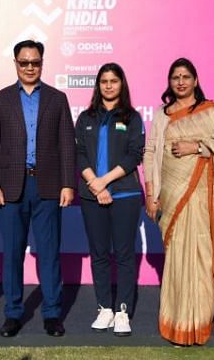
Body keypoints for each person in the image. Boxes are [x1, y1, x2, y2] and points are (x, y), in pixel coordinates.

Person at [142, 57, 214, 349]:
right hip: (171, 199)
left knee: (200, 259)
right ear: (169, 82)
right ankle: (176, 322)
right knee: (176, 262)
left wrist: (197, 147)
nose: (181, 82)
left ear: (196, 80)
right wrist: (152, 194)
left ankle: (197, 325)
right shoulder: (162, 114)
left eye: (186, 77)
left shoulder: (210, 111)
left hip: (201, 199)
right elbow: (151, 154)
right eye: (175, 77)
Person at [0, 40, 76, 338]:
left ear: (42, 63)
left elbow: (66, 145)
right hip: (10, 187)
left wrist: (68, 184)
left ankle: (52, 314)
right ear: (15, 63)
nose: (30, 67)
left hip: (47, 185)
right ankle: (13, 313)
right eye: (24, 62)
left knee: (49, 253)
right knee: (12, 254)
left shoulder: (57, 99)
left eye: (35, 62)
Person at [74, 62, 144, 336]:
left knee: (125, 255)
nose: (109, 85)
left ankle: (122, 311)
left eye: (114, 80)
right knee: (99, 253)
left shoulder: (132, 118)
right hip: (92, 194)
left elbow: (133, 155)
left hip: (124, 194)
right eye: (104, 81)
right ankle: (104, 308)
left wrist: (105, 181)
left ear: (121, 84)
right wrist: (95, 183)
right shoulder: (86, 118)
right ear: (98, 85)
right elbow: (79, 153)